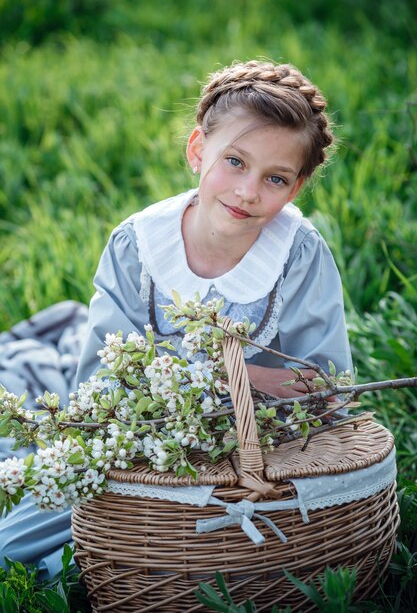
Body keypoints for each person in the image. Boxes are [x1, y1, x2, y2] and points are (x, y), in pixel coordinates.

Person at [0, 59, 352, 577]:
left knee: (246, 563)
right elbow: (100, 385)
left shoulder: (298, 255)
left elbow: (328, 387)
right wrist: (215, 384)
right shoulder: (138, 245)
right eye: (234, 161)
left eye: (275, 178)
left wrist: (245, 389)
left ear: (295, 189)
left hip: (258, 457)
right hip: (141, 451)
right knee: (13, 547)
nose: (248, 191)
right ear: (197, 150)